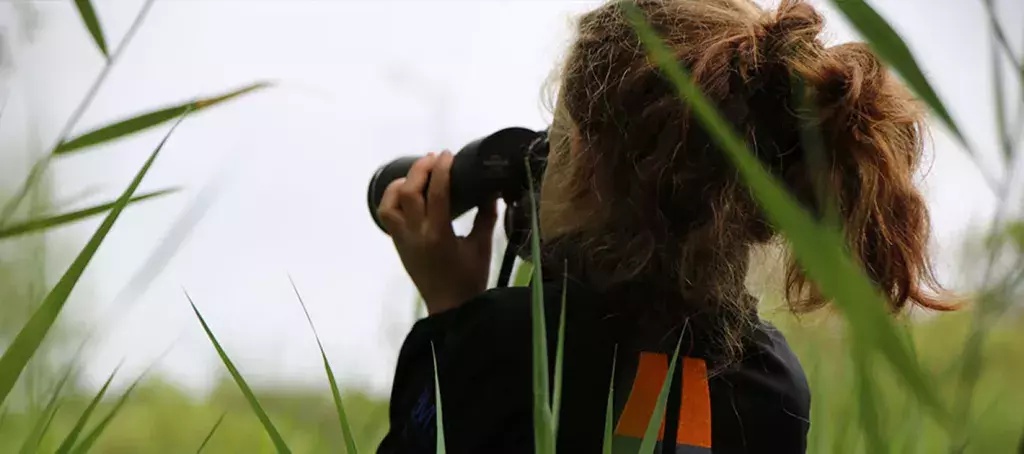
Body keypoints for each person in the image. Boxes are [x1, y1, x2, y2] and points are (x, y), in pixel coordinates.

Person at [375, 0, 951, 452]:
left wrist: (451, 318)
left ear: (582, 164)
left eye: (557, 135)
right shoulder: (772, 386)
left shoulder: (499, 348)